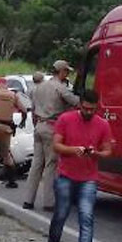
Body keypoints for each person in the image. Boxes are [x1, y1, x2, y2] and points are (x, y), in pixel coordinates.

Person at [47, 90, 113, 242]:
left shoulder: (103, 125)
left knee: (87, 217)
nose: (88, 112)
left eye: (92, 109)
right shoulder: (66, 119)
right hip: (66, 175)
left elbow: (107, 150)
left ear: (97, 107)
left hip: (88, 178)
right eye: (85, 108)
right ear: (79, 105)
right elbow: (56, 145)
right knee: (61, 214)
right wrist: (73, 150)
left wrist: (96, 153)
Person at [24, 60, 79, 211]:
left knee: (36, 164)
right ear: (61, 71)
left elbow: (32, 107)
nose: (67, 74)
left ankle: (28, 200)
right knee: (51, 165)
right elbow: (76, 102)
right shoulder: (60, 88)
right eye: (66, 72)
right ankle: (49, 202)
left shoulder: (38, 87)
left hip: (39, 126)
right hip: (52, 127)